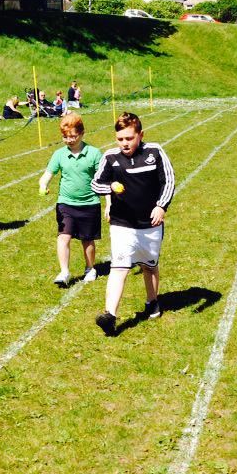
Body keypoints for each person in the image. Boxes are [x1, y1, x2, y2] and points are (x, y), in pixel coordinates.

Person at [91, 111, 175, 335]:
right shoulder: (110, 157)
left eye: (129, 138)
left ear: (140, 135)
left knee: (149, 266)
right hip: (122, 223)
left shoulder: (154, 152)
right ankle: (110, 316)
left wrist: (161, 206)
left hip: (150, 224)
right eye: (120, 139)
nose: (124, 143)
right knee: (119, 268)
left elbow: (168, 181)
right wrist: (110, 187)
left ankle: (152, 301)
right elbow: (96, 184)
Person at [39, 112, 103, 286]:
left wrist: (110, 203)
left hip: (90, 203)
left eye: (73, 136)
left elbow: (104, 178)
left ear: (82, 133)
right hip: (66, 203)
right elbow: (47, 175)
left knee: (87, 239)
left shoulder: (94, 153)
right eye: (65, 137)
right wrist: (43, 185)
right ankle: (64, 272)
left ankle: (90, 268)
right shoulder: (59, 154)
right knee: (63, 236)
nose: (69, 140)